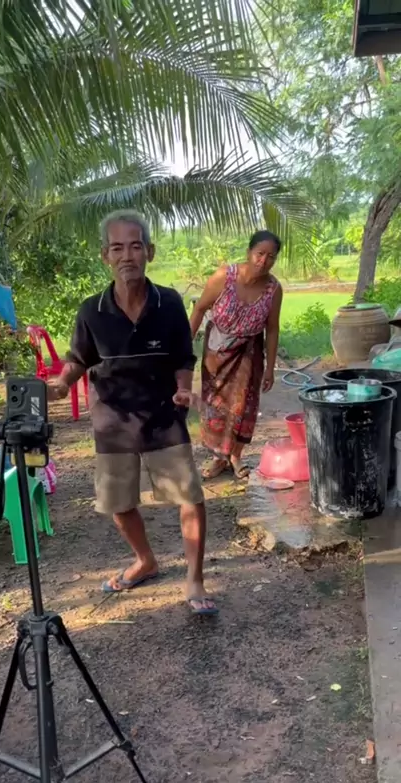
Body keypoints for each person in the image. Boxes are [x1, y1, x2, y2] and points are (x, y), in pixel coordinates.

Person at [48, 210, 217, 616]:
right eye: (118, 248)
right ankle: (145, 560)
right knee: (119, 503)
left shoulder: (169, 303)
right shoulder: (91, 311)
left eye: (136, 246)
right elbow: (78, 359)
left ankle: (195, 579)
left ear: (150, 252)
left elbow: (182, 356)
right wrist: (62, 384)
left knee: (190, 497)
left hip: (162, 414)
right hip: (113, 418)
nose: (127, 256)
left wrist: (183, 388)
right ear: (105, 255)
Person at [190, 230, 283, 480]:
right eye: (260, 254)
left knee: (243, 406)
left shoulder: (274, 289)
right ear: (249, 252)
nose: (264, 261)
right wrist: (184, 347)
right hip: (216, 352)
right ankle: (218, 458)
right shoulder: (224, 277)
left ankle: (235, 456)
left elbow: (272, 329)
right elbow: (199, 310)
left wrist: (270, 368)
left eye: (271, 257)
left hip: (249, 354)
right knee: (215, 405)